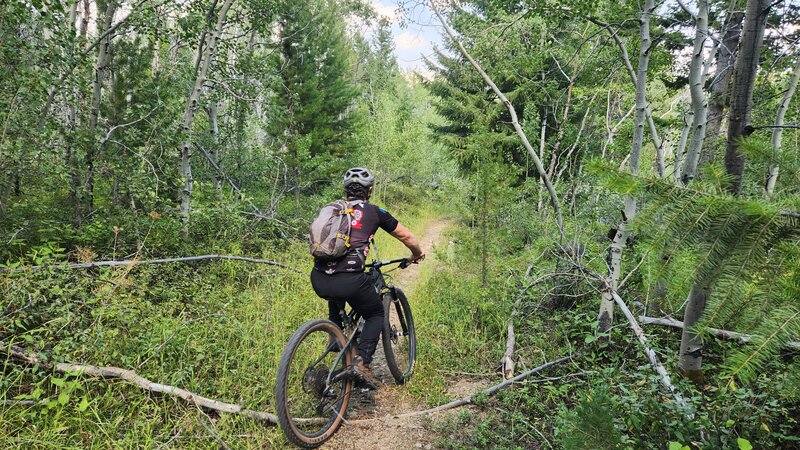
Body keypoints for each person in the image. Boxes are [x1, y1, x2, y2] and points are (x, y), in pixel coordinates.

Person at [310, 167, 425, 387]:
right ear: (369, 191)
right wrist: (417, 254)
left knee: (335, 296)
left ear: (346, 191)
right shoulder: (374, 211)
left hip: (318, 278)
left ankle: (335, 336)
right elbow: (407, 235)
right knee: (375, 313)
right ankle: (361, 362)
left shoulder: (332, 209)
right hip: (350, 280)